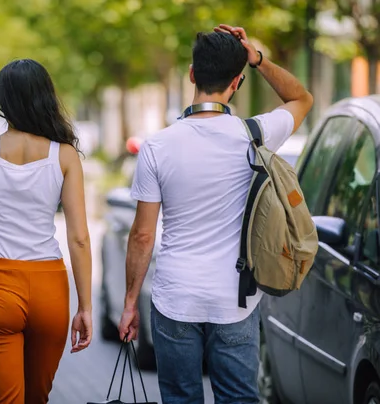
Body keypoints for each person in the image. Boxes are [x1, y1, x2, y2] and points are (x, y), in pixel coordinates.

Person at [118, 25, 313, 403]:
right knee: (239, 397)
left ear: (192, 74)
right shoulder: (255, 134)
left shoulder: (157, 146)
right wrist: (257, 58)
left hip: (176, 299)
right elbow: (301, 98)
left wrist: (129, 303)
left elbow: (142, 236)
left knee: (180, 398)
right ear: (237, 82)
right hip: (235, 299)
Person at [0, 59, 93, 404]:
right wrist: (85, 307)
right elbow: (79, 238)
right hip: (50, 290)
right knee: (37, 399)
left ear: (1, 101)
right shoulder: (64, 155)